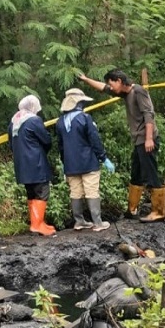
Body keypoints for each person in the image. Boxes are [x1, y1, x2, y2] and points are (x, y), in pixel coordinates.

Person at [79, 69, 165, 222]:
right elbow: (103, 88)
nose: (110, 87)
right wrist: (86, 79)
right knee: (136, 174)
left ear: (119, 80)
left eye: (112, 84)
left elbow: (148, 114)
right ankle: (132, 210)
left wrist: (149, 138)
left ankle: (159, 211)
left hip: (146, 139)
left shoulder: (138, 91)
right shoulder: (125, 93)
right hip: (138, 141)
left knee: (150, 173)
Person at [55, 88, 116, 232]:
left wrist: (65, 163)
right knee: (91, 191)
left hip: (70, 164)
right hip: (88, 162)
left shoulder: (60, 122)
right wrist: (104, 158)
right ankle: (98, 223)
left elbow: (61, 146)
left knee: (75, 192)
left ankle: (79, 221)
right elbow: (94, 140)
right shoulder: (85, 118)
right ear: (79, 103)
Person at [7, 95, 56, 236]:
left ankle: (38, 223)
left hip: (21, 165)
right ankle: (36, 225)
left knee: (31, 193)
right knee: (42, 192)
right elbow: (46, 140)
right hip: (36, 163)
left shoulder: (13, 122)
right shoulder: (34, 120)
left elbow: (11, 144)